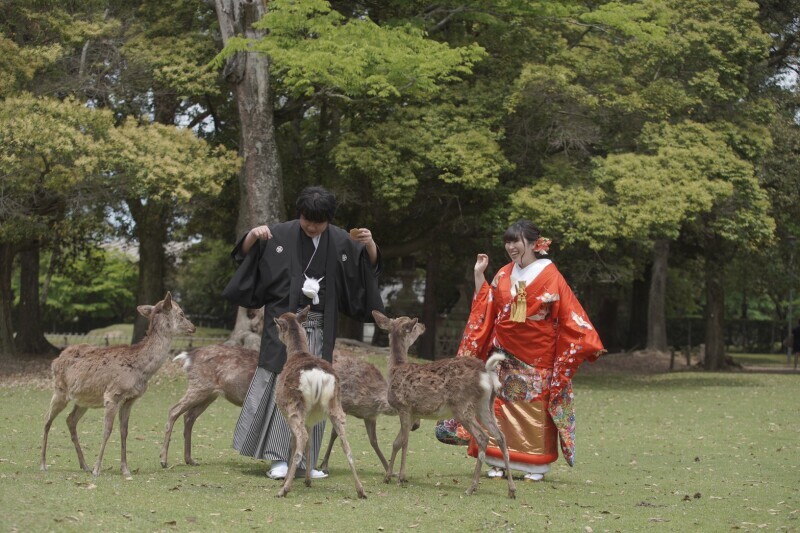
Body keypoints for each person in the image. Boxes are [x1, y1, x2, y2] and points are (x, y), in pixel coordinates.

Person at [222, 186, 384, 480]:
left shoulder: (340, 240)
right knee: (280, 384)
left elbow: (365, 270)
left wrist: (371, 245)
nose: (311, 227)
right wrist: (251, 236)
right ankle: (277, 459)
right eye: (307, 220)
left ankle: (307, 459)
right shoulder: (278, 234)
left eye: (318, 223)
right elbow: (246, 256)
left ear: (329, 220)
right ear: (300, 214)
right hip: (284, 330)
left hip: (319, 329)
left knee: (316, 387)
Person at [456, 220, 605, 481]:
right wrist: (479, 274)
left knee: (534, 406)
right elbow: (486, 306)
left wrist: (585, 341)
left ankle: (534, 466)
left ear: (534, 243)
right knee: (496, 404)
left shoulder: (550, 274)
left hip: (537, 353)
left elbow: (569, 312)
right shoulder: (503, 273)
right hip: (502, 352)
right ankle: (496, 459)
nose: (511, 247)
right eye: (508, 241)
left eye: (516, 241)